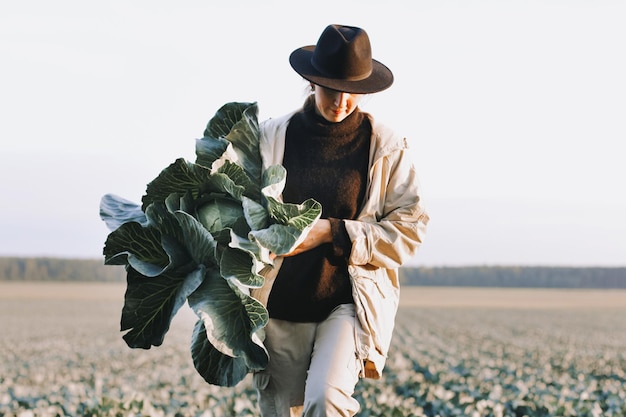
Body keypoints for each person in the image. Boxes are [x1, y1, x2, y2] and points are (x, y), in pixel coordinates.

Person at [251, 24, 429, 417]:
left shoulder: (385, 146)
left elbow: (410, 230)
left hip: (347, 302)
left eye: (353, 91)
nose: (342, 100)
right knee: (286, 412)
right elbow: (234, 212)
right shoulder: (271, 138)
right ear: (310, 82)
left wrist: (330, 233)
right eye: (332, 88)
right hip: (278, 308)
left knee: (326, 399)